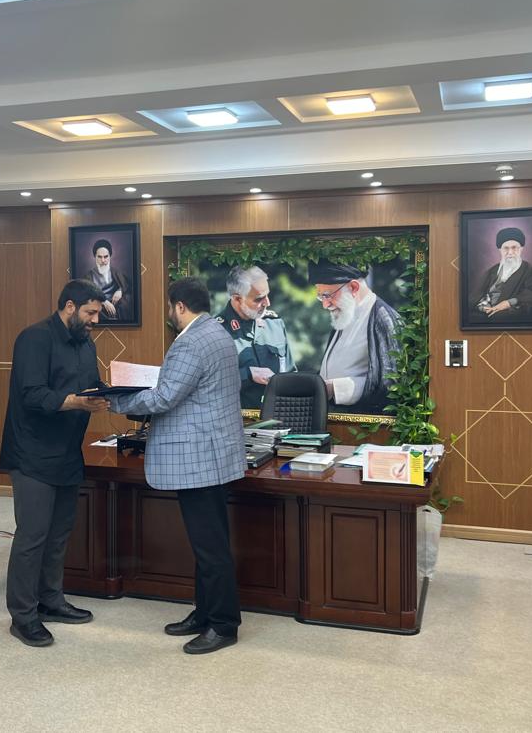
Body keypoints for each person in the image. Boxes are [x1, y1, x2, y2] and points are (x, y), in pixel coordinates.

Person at [108, 277, 246, 655]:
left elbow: (165, 397)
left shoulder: (190, 342)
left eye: (170, 307)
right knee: (207, 545)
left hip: (199, 460)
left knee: (210, 548)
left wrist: (115, 401)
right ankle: (205, 613)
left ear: (179, 306)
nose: (170, 313)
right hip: (213, 455)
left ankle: (223, 625)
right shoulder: (217, 334)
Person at [0, 279, 110, 648]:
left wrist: (109, 394)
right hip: (32, 453)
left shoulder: (86, 343)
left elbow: (91, 385)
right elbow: (32, 394)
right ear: (70, 306)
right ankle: (23, 616)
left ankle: (51, 600)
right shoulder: (34, 338)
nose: (95, 320)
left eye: (97, 313)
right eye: (90, 312)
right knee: (32, 536)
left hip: (67, 452)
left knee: (60, 533)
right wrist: (77, 402)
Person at [309, 260, 401, 411]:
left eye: (327, 295)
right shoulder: (346, 311)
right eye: (321, 296)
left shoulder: (383, 319)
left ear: (353, 287)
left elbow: (391, 384)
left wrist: (335, 388)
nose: (325, 305)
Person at [215, 265, 295, 409]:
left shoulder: (275, 324)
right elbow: (210, 384)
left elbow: (290, 373)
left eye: (267, 295)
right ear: (237, 299)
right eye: (259, 299)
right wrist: (248, 374)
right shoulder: (216, 332)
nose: (267, 303)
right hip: (237, 418)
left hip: (278, 415)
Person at [469, 227, 532, 322]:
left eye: (514, 248)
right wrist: (482, 307)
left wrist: (508, 303)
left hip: (509, 315)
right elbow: (476, 296)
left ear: (521, 249)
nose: (510, 253)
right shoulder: (492, 271)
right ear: (500, 250)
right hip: (485, 312)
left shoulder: (531, 272)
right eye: (506, 248)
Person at [85, 239, 133, 323]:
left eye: (106, 256)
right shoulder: (88, 276)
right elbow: (85, 295)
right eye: (99, 257)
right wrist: (103, 301)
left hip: (117, 307)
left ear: (110, 256)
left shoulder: (116, 272)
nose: (103, 261)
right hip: (100, 308)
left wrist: (120, 290)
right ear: (95, 257)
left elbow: (128, 286)